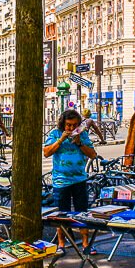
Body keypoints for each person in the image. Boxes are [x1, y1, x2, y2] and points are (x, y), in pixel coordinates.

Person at [43, 109, 98, 255]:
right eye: (68, 125)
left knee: (82, 212)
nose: (72, 128)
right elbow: (47, 152)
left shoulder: (83, 135)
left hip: (79, 179)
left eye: (74, 125)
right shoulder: (55, 134)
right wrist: (61, 140)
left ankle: (86, 244)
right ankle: (61, 244)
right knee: (61, 214)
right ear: (63, 124)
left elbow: (93, 155)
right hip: (61, 181)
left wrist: (80, 143)